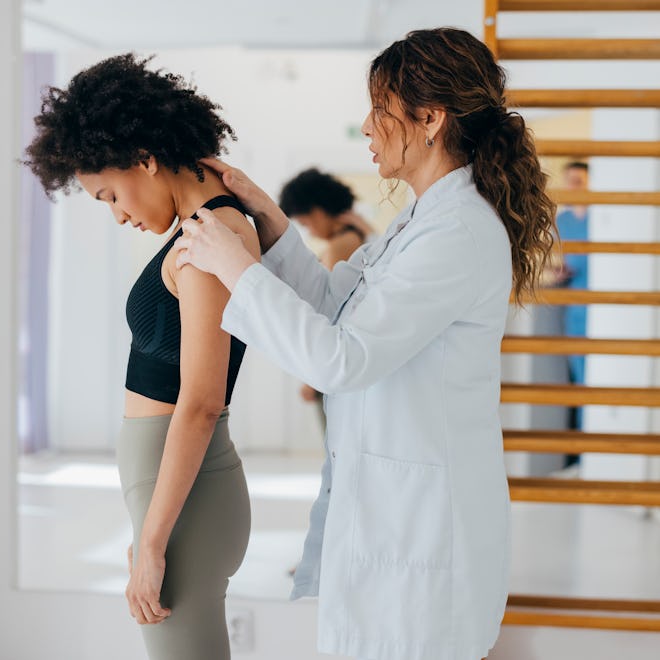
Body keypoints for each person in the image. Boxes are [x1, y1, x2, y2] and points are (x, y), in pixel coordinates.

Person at [174, 28, 556, 660]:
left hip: (425, 537)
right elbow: (333, 308)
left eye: (380, 109)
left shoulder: (457, 232)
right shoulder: (418, 221)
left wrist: (232, 266)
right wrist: (266, 220)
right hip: (392, 521)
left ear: (430, 119)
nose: (367, 127)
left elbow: (339, 359)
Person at [23, 54, 259, 660]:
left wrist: (153, 543)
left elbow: (202, 402)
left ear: (146, 160)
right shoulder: (204, 230)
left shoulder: (210, 235)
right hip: (177, 493)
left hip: (188, 499)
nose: (117, 213)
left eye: (109, 194)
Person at [278, 168, 371, 429]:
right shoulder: (362, 235)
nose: (309, 231)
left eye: (306, 223)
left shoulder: (339, 246)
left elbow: (331, 313)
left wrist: (311, 380)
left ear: (318, 212)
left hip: (335, 361)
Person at [554, 161, 590, 434]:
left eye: (578, 181)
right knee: (578, 379)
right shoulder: (562, 222)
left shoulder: (603, 220)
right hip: (575, 308)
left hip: (599, 307)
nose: (573, 187)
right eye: (570, 182)